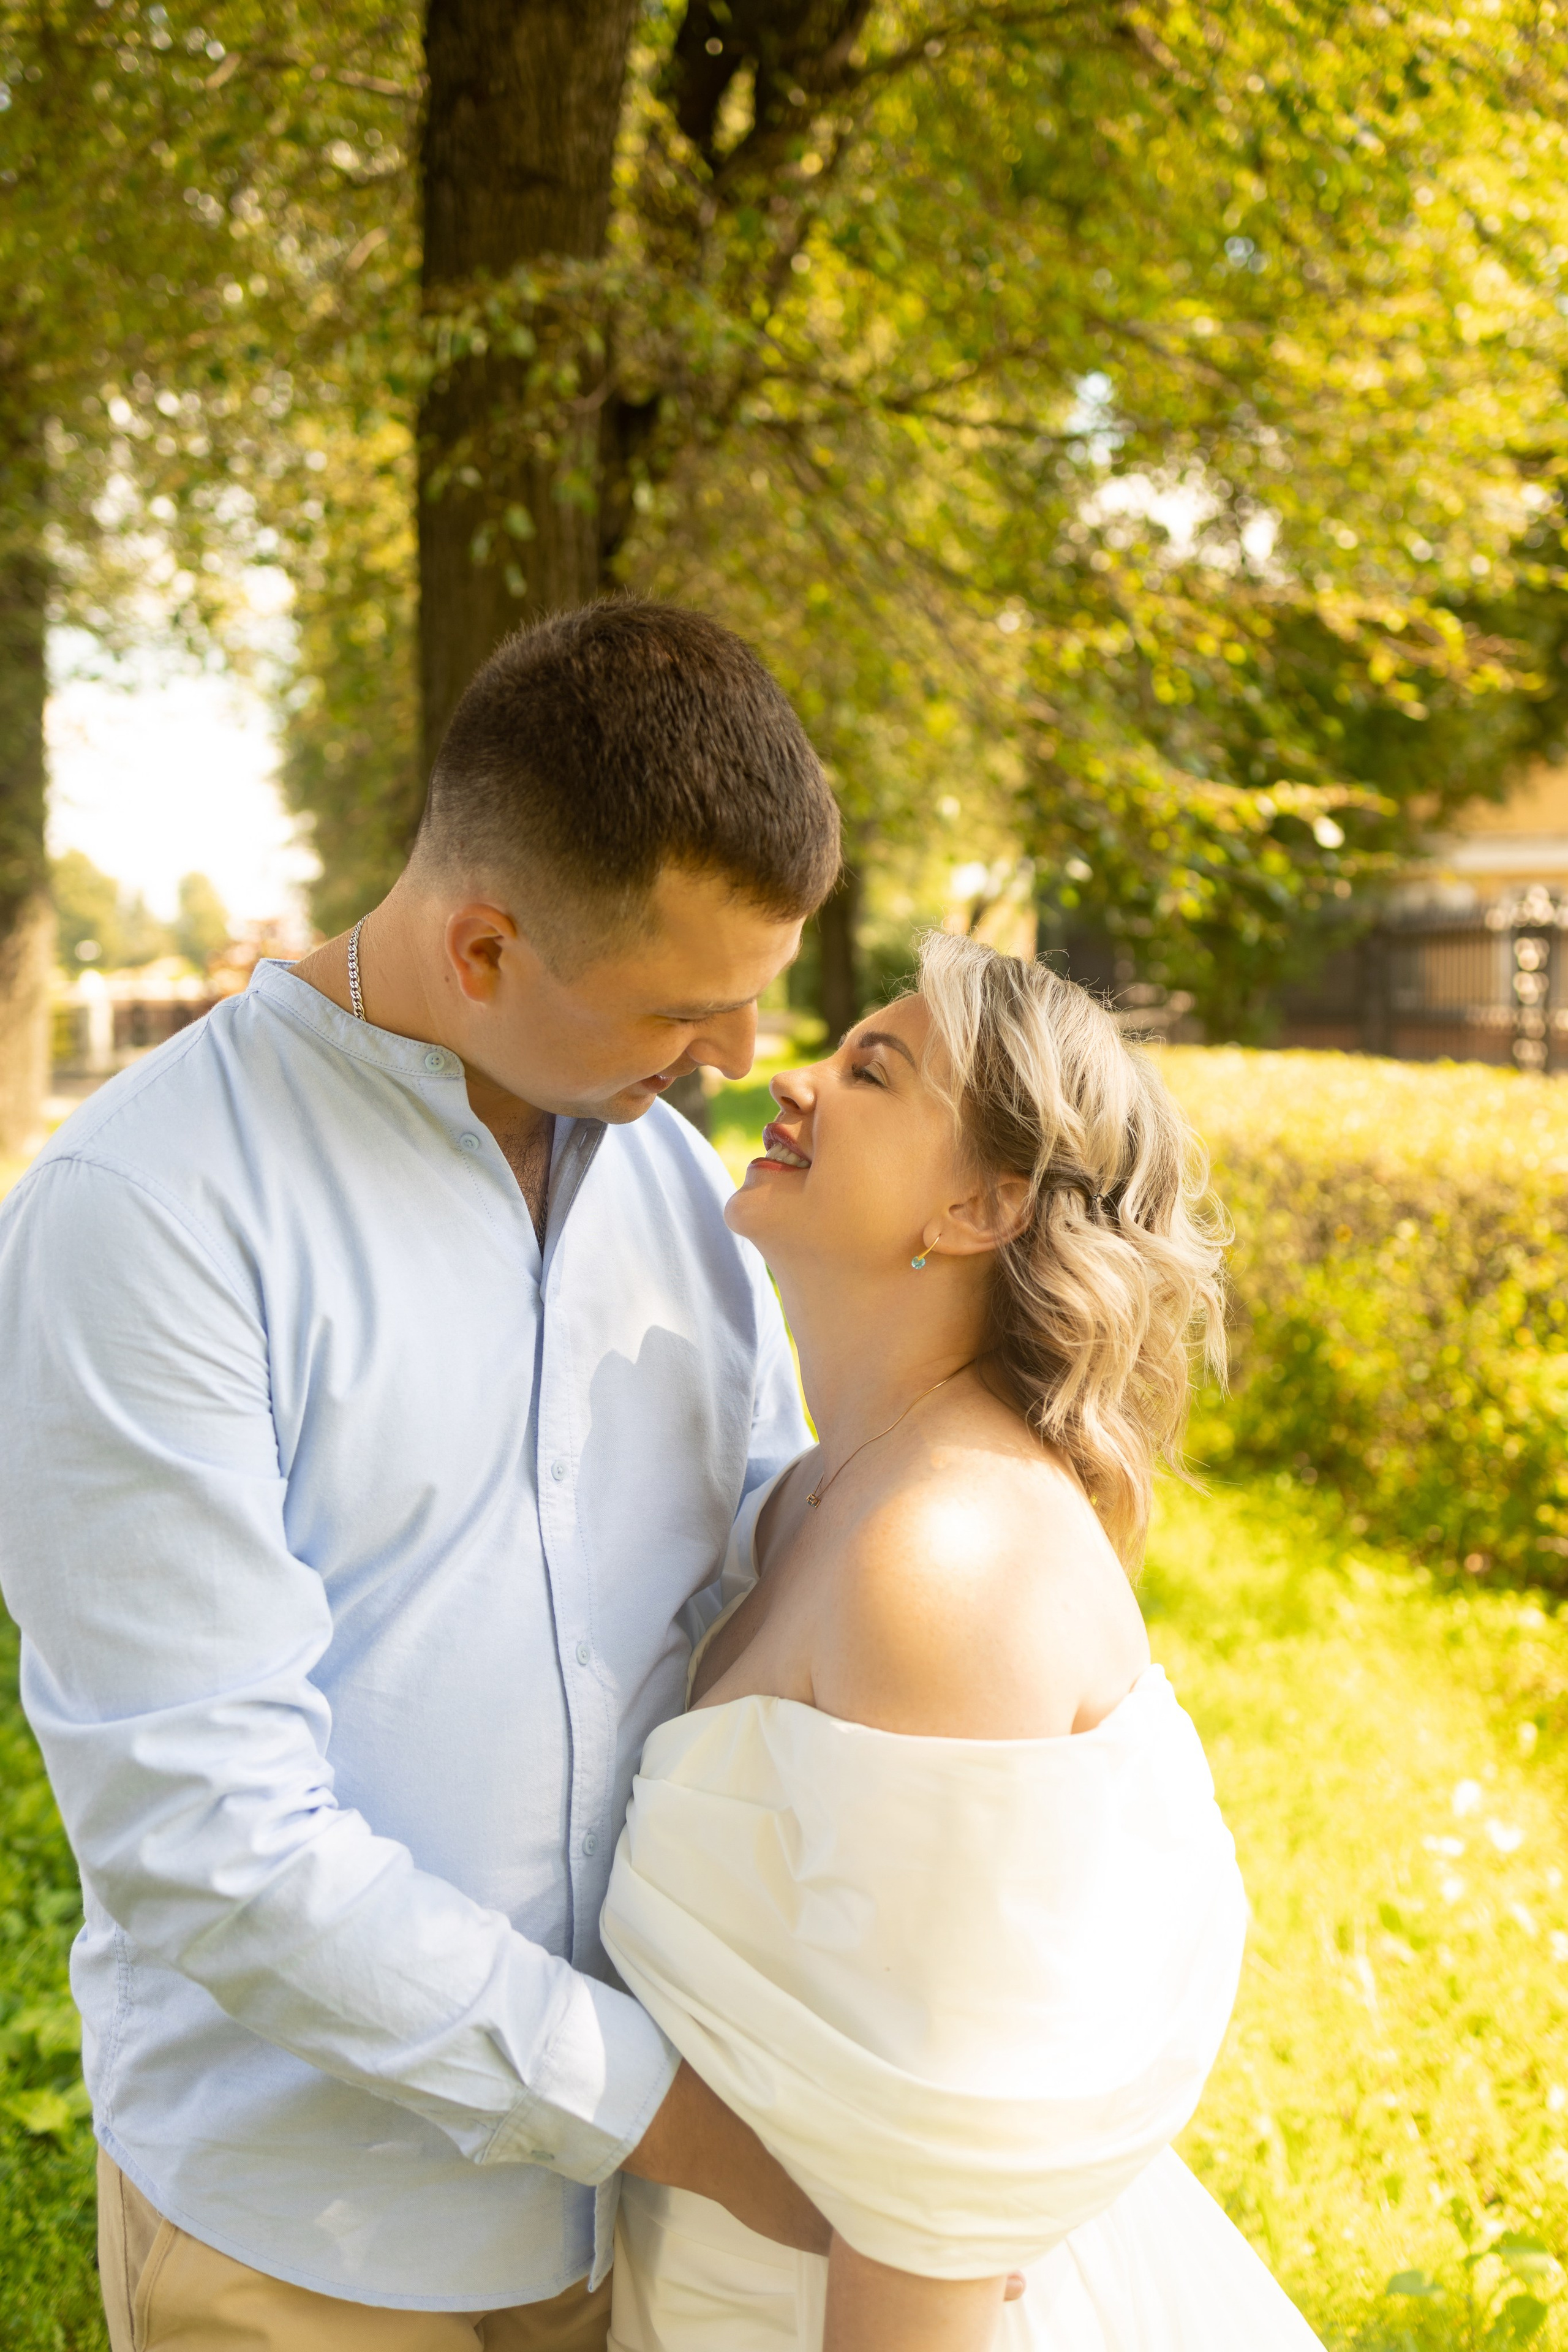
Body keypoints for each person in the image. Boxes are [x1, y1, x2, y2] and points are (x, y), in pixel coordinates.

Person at [0, 600, 847, 2351]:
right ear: (482, 951)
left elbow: (776, 1575)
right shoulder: (150, 1214)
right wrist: (680, 2118)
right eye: (688, 1007)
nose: (742, 1061)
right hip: (306, 2233)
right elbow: (210, 1838)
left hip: (645, 2226)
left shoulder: (674, 1186)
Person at [600, 930, 1327, 2352]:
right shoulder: (824, 1494)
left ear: (981, 1203)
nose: (790, 1082)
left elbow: (927, 2220)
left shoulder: (943, 1565)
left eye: (871, 1071)